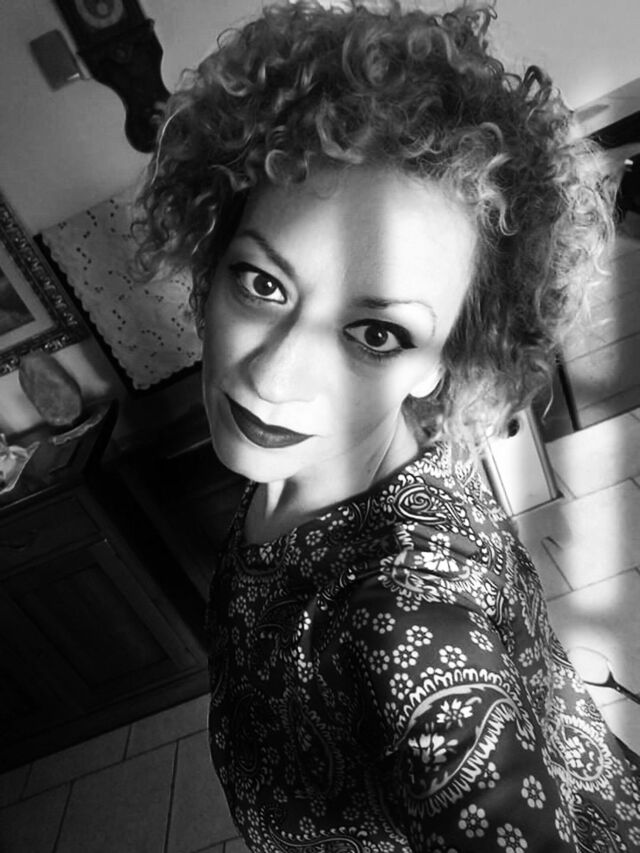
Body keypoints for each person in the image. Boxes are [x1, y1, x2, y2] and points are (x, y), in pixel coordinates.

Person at [135, 1, 640, 849]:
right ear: (211, 262)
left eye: (376, 333)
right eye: (263, 285)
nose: (272, 378)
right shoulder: (307, 473)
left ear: (444, 359)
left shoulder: (403, 618)